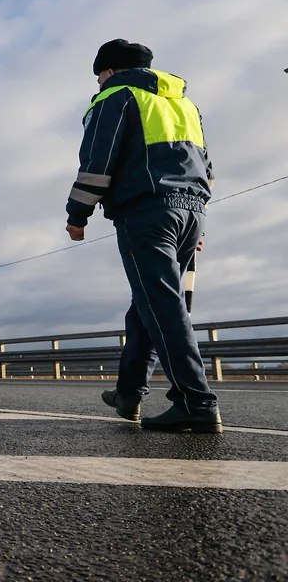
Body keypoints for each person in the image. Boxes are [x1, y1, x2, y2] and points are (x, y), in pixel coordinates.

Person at [65, 39, 221, 433]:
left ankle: (195, 401)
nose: (98, 81)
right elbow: (206, 167)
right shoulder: (185, 106)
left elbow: (98, 163)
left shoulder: (115, 98)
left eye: (99, 74)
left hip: (146, 211)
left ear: (111, 70)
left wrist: (77, 214)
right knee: (149, 305)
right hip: (192, 211)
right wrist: (196, 217)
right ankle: (129, 393)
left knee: (160, 306)